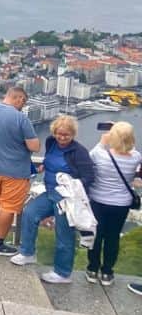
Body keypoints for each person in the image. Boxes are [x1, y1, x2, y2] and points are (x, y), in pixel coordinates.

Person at [10, 115, 94, 284]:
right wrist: (44, 166)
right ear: (54, 132)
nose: (62, 138)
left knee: (63, 234)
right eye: (59, 134)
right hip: (50, 191)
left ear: (73, 134)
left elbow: (89, 177)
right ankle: (27, 252)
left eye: (67, 135)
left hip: (66, 198)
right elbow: (50, 160)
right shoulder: (51, 142)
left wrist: (70, 184)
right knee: (29, 213)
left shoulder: (79, 152)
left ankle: (63, 272)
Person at [0, 86, 40, 256]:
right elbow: (34, 146)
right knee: (8, 207)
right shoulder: (20, 118)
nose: (23, 105)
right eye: (23, 101)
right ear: (18, 98)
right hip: (14, 170)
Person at [85, 121, 141, 286]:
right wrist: (123, 134)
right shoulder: (135, 158)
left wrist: (103, 141)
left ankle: (92, 269)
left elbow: (91, 156)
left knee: (96, 236)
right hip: (121, 205)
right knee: (112, 238)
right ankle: (107, 272)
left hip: (98, 201)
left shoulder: (100, 155)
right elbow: (133, 149)